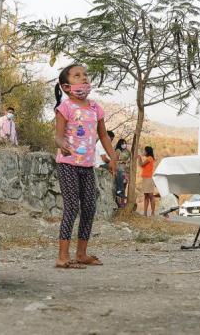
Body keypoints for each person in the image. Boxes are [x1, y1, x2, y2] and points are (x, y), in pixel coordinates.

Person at [53, 64, 115, 269]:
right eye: (77, 76)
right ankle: (63, 256)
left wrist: (113, 158)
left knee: (89, 207)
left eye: (85, 75)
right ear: (66, 86)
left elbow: (104, 135)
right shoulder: (65, 108)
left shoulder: (95, 108)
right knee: (72, 206)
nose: (84, 78)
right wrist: (62, 145)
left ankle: (81, 253)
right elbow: (58, 136)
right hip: (68, 164)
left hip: (87, 166)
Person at [138, 146, 157, 217]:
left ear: (147, 151)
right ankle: (145, 213)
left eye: (144, 151)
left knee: (151, 196)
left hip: (148, 179)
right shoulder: (148, 158)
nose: (144, 152)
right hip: (145, 179)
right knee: (146, 196)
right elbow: (143, 166)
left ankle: (152, 213)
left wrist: (139, 158)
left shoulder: (149, 158)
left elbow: (141, 164)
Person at [113, 138, 131, 208]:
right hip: (120, 170)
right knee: (120, 187)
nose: (124, 144)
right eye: (123, 143)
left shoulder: (127, 151)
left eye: (125, 143)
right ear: (120, 144)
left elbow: (131, 158)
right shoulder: (118, 151)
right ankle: (119, 203)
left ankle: (123, 202)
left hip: (127, 170)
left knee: (124, 186)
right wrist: (122, 161)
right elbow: (116, 160)